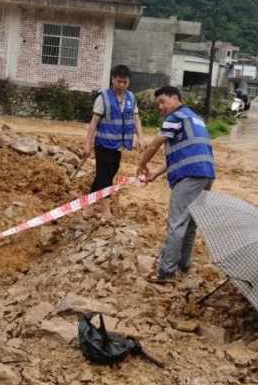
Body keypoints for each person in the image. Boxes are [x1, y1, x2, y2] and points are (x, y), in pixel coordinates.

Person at [136, 87, 216, 284]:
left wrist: (142, 165)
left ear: (175, 98)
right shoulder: (195, 118)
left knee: (177, 223)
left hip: (189, 177)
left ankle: (167, 271)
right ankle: (184, 264)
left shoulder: (175, 118)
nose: (161, 107)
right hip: (205, 175)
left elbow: (154, 145)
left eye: (163, 101)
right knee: (190, 224)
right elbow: (184, 153)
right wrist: (156, 173)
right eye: (158, 104)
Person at [82, 64, 144, 224]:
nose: (122, 85)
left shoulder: (131, 98)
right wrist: (87, 145)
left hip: (118, 146)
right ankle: (105, 212)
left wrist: (141, 137)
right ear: (112, 80)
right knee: (105, 177)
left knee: (105, 175)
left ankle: (87, 208)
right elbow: (94, 122)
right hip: (103, 144)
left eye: (125, 82)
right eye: (119, 81)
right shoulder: (103, 97)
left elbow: (136, 118)